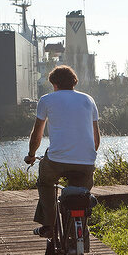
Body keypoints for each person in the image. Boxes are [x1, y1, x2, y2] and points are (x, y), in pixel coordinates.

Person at [24, 65, 100, 240]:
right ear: (74, 82)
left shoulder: (46, 100)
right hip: (86, 162)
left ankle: (50, 226)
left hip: (56, 161)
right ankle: (82, 239)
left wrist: (31, 154)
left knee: (45, 184)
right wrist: (86, 155)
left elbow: (37, 133)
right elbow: (96, 139)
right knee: (81, 196)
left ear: (54, 84)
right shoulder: (89, 100)